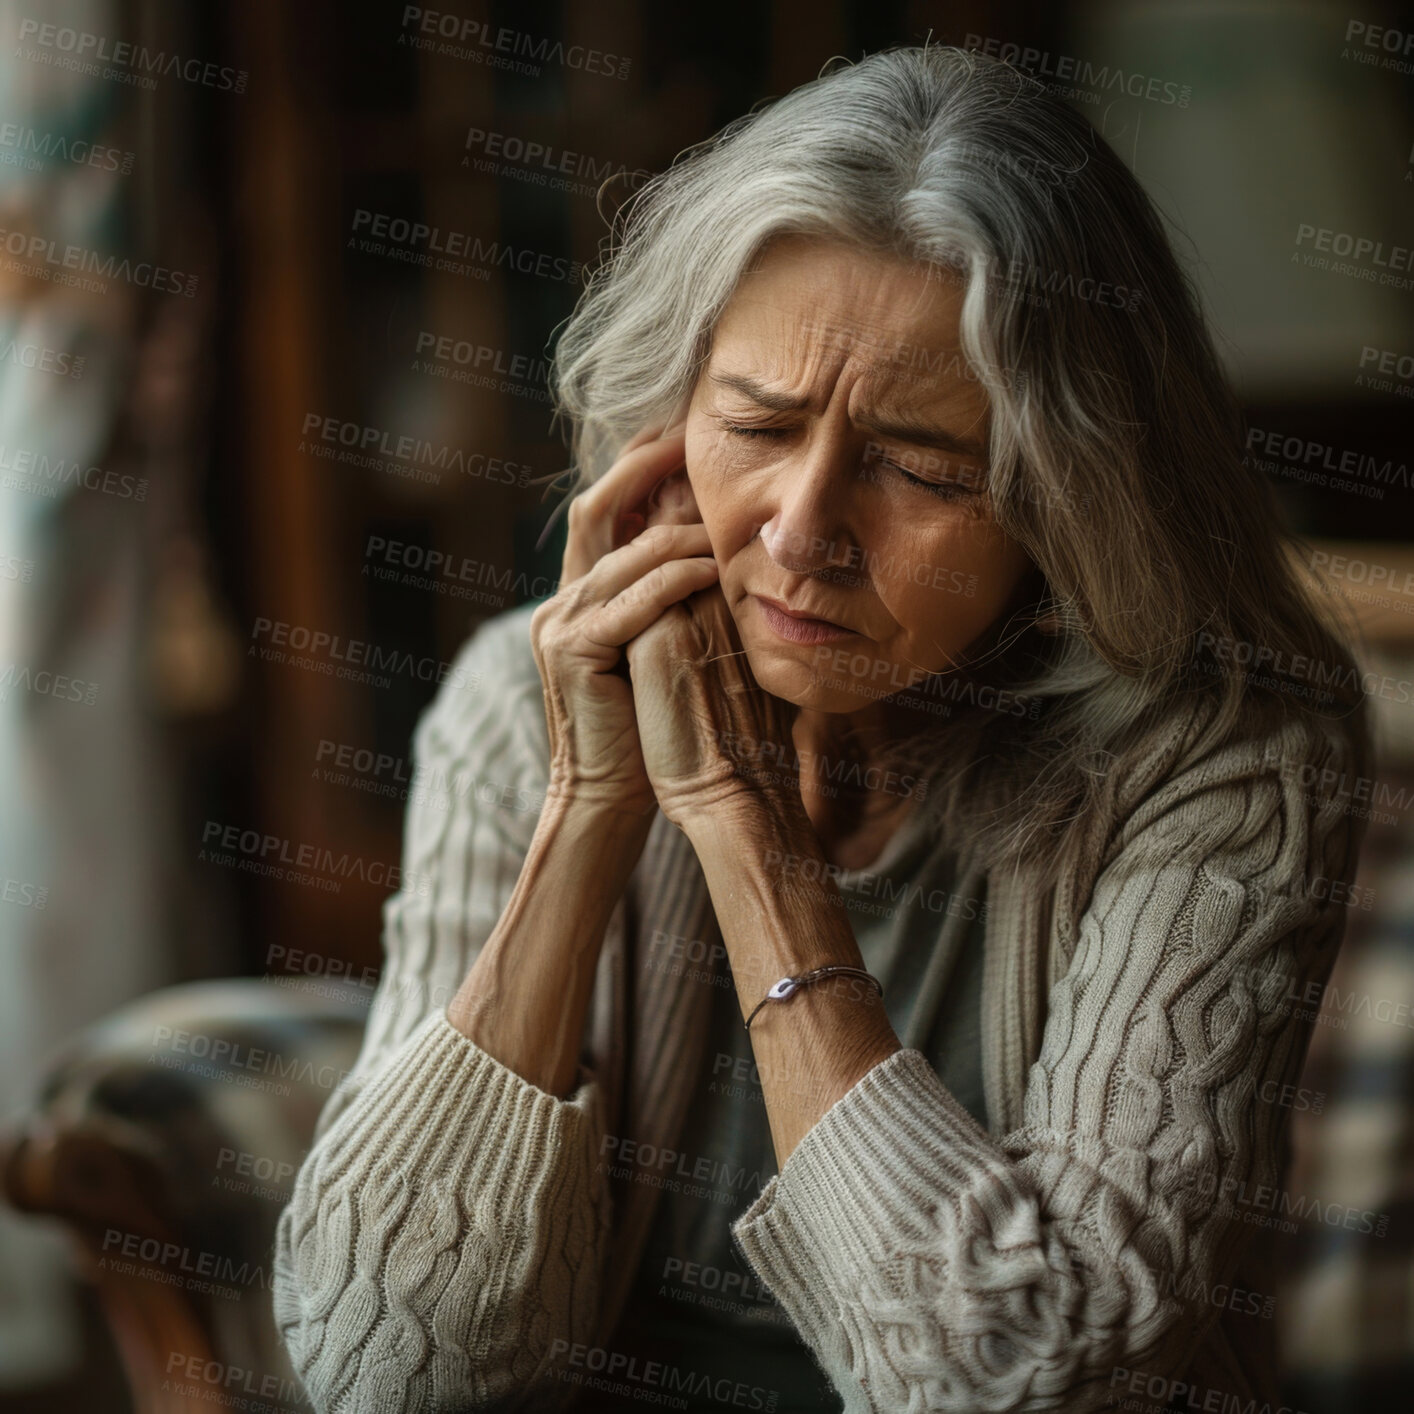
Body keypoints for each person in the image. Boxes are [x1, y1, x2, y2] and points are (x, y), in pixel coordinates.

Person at [272, 44, 1373, 1413]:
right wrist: (585, 812)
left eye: (920, 469)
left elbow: (1036, 1384)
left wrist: (752, 848)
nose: (799, 533)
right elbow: (379, 1363)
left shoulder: (1223, 754)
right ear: (663, 434)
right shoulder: (523, 696)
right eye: (756, 424)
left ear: (1070, 504)